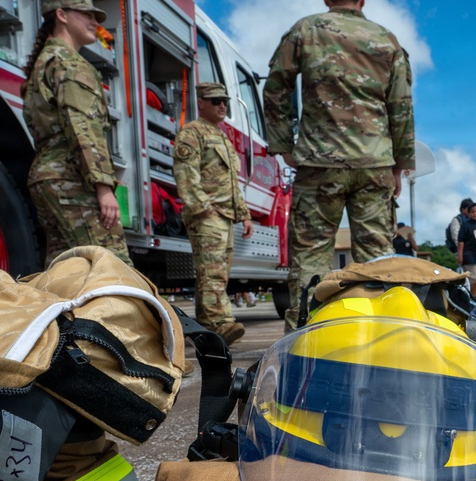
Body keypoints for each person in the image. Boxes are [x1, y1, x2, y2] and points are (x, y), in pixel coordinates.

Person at [263, 0, 416, 332]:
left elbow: (276, 88)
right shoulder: (386, 39)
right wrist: (400, 166)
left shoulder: (306, 30)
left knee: (310, 260)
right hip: (374, 163)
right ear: (362, 1)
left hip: (318, 163)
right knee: (378, 261)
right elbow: (401, 105)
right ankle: (382, 337)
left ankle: (304, 341)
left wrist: (283, 145)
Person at [22, 0, 132, 267]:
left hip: (47, 177)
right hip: (71, 179)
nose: (95, 22)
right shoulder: (70, 62)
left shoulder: (43, 62)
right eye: (86, 14)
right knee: (114, 268)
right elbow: (82, 125)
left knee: (66, 273)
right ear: (61, 15)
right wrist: (104, 187)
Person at [173, 82, 253, 345]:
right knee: (212, 272)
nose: (222, 105)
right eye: (216, 100)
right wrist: (202, 209)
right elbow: (186, 175)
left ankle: (206, 328)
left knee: (218, 271)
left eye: (225, 101)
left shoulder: (222, 136)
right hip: (208, 215)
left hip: (225, 215)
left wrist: (244, 214)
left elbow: (231, 182)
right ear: (202, 102)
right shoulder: (192, 133)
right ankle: (220, 324)